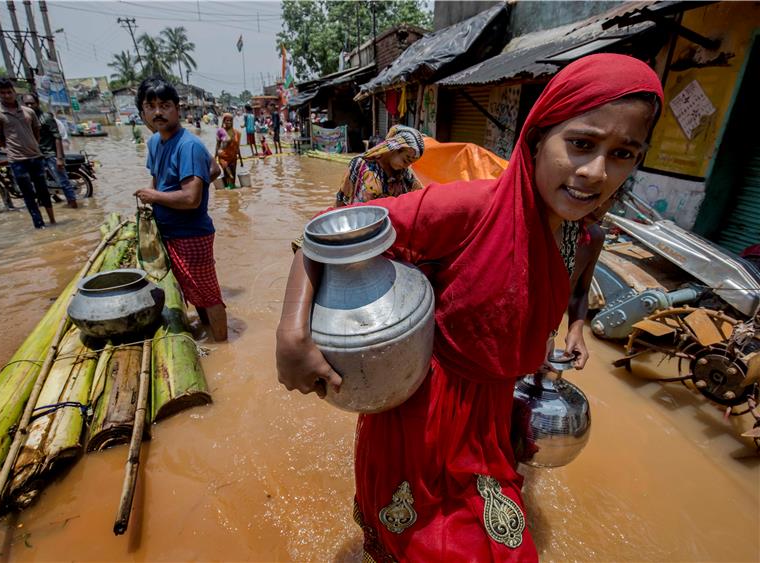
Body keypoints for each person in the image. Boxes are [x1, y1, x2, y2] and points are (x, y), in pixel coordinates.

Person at [275, 54, 663, 561]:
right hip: (423, 418)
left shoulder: (579, 229)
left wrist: (572, 331)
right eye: (582, 144)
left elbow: (544, 297)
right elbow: (327, 228)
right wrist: (291, 336)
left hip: (491, 418)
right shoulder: (469, 208)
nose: (595, 172)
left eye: (623, 153)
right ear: (537, 136)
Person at [133, 76, 228, 342]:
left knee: (208, 295)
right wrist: (155, 199)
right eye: (150, 107)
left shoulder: (188, 145)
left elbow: (190, 199)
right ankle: (208, 332)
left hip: (191, 233)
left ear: (177, 108)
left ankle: (222, 343)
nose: (158, 112)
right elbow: (211, 169)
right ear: (142, 113)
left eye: (164, 105)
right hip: (168, 231)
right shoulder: (154, 142)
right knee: (192, 291)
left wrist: (154, 196)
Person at [0, 79, 55, 229]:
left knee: (43, 190)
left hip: (35, 156)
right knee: (28, 194)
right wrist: (11, 149)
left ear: (14, 92)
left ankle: (52, 220)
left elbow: (36, 132)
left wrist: (33, 146)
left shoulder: (28, 111)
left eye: (9, 92)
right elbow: (0, 137)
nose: (7, 95)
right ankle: (39, 224)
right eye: (3, 93)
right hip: (17, 159)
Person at [336, 125, 425, 207]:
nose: (406, 166)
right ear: (395, 148)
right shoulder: (359, 164)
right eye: (405, 160)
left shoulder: (405, 173)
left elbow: (421, 195)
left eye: (410, 163)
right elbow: (341, 198)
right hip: (360, 221)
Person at [23, 94, 78, 208]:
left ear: (37, 103)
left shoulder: (46, 117)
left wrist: (59, 158)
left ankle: (73, 204)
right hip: (36, 155)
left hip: (50, 154)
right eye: (26, 104)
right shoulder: (26, 119)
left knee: (62, 181)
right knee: (39, 183)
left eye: (31, 103)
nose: (29, 105)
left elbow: (57, 137)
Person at [214, 113, 243, 189]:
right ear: (223, 121)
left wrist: (241, 159)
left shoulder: (236, 133)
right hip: (223, 156)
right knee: (228, 174)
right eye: (227, 120)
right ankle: (228, 188)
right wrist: (215, 157)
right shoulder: (220, 131)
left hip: (233, 157)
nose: (229, 122)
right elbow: (217, 145)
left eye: (230, 120)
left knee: (233, 173)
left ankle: (231, 192)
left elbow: (237, 147)